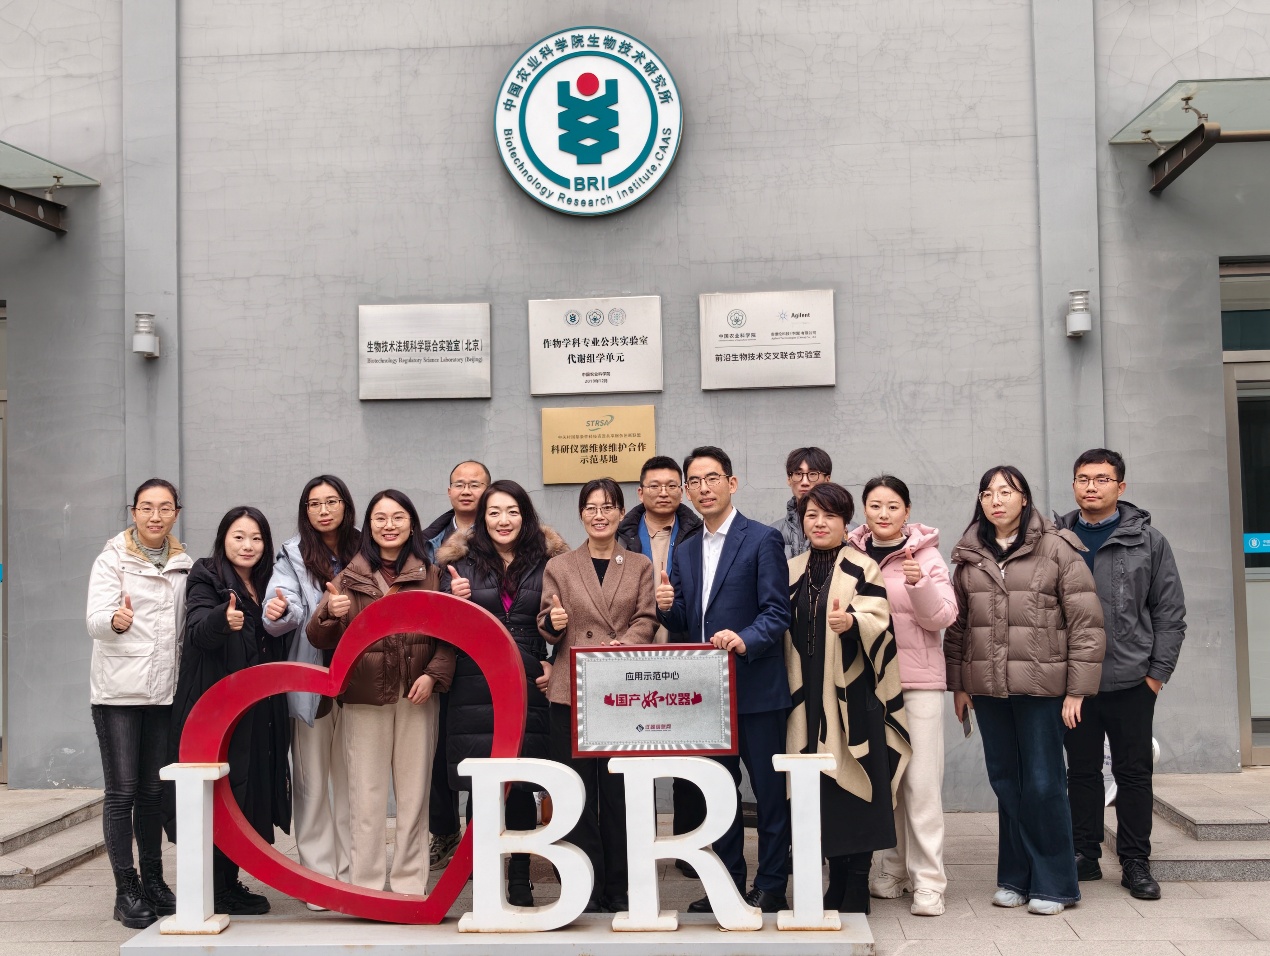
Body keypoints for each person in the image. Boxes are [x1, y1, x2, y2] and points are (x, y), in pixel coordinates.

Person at [945, 466, 1105, 916]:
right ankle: (1015, 878)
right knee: (1006, 781)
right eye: (987, 493)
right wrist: (958, 685)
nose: (996, 500)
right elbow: (958, 627)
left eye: (1006, 491)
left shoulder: (1057, 548)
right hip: (988, 689)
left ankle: (1055, 884)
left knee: (1043, 782)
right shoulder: (970, 554)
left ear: (1024, 499)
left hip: (1042, 688)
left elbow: (1086, 625)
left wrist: (1077, 691)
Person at [656, 446, 793, 914]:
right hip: (706, 694)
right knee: (719, 793)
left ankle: (772, 884)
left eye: (712, 478)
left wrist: (744, 638)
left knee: (769, 793)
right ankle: (729, 883)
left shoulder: (762, 539)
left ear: (731, 483)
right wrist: (666, 606)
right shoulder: (686, 549)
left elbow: (777, 612)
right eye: (694, 482)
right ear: (687, 491)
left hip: (756, 688)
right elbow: (683, 620)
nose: (703, 488)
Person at [308, 490, 455, 897]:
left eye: (398, 517)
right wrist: (328, 613)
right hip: (364, 697)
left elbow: (449, 636)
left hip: (416, 696)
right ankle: (367, 887)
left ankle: (409, 885)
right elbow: (317, 636)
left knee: (414, 795)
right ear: (369, 525)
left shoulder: (431, 574)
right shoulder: (348, 576)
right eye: (380, 518)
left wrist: (433, 675)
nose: (389, 525)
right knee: (366, 796)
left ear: (412, 524)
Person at [1057, 449, 1187, 901]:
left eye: (1102, 479)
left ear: (1121, 487)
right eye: (1083, 479)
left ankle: (1135, 861)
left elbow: (1170, 614)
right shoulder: (1058, 540)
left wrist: (1156, 676)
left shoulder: (1149, 542)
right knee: (1081, 772)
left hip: (1133, 680)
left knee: (1133, 774)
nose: (1091, 487)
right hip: (1074, 683)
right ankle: (1084, 854)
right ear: (1074, 485)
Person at [437, 479, 566, 906]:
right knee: (483, 784)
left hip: (529, 679)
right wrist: (453, 599)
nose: (503, 520)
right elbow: (442, 627)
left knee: (523, 782)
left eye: (512, 511)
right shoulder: (460, 564)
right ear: (482, 519)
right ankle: (485, 876)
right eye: (494, 512)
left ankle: (520, 878)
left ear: (525, 516)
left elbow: (562, 622)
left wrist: (554, 660)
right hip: (475, 681)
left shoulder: (549, 562)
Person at [787, 482, 911, 914]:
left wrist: (853, 622)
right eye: (812, 515)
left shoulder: (863, 567)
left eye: (830, 516)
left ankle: (857, 880)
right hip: (806, 698)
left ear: (845, 523)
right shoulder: (791, 569)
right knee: (821, 790)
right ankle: (835, 879)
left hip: (853, 695)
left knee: (857, 787)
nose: (819, 523)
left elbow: (880, 619)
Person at [540, 478, 658, 913]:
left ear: (621, 512)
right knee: (576, 793)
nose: (599, 515)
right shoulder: (561, 566)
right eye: (591, 507)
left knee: (619, 793)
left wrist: (623, 645)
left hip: (621, 691)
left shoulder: (640, 565)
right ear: (581, 514)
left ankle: (621, 886)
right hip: (570, 691)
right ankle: (585, 885)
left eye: (608, 506)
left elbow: (647, 617)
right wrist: (553, 622)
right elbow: (546, 621)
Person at [170, 506, 290, 915]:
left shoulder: (267, 581)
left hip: (256, 708)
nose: (248, 545)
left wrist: (281, 615)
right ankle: (214, 888)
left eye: (256, 538)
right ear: (223, 538)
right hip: (216, 707)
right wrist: (223, 619)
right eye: (239, 536)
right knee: (221, 789)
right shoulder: (206, 574)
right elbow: (198, 632)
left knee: (247, 790)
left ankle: (229, 882)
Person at [86, 479, 195, 929]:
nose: (155, 516)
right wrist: (115, 620)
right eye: (147, 507)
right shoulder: (112, 559)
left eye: (165, 508)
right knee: (122, 791)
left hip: (164, 693)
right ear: (133, 512)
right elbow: (94, 619)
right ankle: (125, 889)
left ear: (176, 513)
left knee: (153, 792)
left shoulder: (185, 565)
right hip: (118, 693)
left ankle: (153, 880)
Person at [847, 476, 955, 916]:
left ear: (907, 511)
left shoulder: (925, 557)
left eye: (893, 506)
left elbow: (943, 617)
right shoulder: (851, 555)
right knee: (885, 781)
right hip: (869, 684)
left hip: (917, 684)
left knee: (921, 784)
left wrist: (919, 584)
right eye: (875, 505)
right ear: (865, 510)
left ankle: (929, 881)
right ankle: (894, 868)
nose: (884, 514)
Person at [261, 476, 358, 903]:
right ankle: (319, 878)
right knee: (312, 782)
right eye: (315, 503)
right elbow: (283, 606)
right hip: (312, 680)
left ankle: (353, 874)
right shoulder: (293, 555)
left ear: (345, 505)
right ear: (305, 511)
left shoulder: (366, 547)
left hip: (359, 682)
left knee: (355, 783)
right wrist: (278, 611)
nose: (324, 510)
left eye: (331, 501)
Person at [615, 454, 705, 875]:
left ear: (682, 490)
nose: (664, 492)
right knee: (635, 753)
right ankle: (640, 845)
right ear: (640, 491)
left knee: (688, 753)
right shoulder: (620, 534)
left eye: (672, 485)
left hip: (684, 648)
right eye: (655, 485)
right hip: (633, 652)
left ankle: (690, 846)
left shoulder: (699, 530)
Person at [421, 459, 490, 868]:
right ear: (449, 492)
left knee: (479, 752)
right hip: (433, 658)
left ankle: (478, 841)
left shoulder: (500, 532)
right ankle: (445, 834)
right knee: (436, 751)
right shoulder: (426, 541)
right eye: (459, 484)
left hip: (480, 660)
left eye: (475, 484)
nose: (466, 490)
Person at [772, 446, 833, 559]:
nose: (805, 482)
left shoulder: (851, 533)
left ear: (827, 480)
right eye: (798, 474)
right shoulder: (773, 533)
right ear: (789, 479)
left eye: (813, 474)